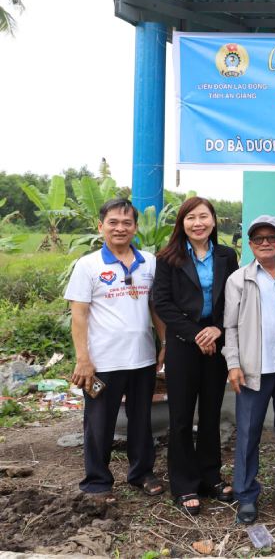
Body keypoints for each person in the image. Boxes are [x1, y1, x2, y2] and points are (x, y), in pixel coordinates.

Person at [65, 198, 166, 504]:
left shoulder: (150, 262)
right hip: (102, 362)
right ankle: (97, 481)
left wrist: (166, 343)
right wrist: (83, 359)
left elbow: (155, 306)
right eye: (113, 222)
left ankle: (141, 474)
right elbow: (79, 314)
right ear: (101, 227)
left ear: (135, 227)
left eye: (127, 223)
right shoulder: (88, 265)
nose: (120, 228)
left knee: (141, 420)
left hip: (142, 358)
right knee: (99, 423)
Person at [152, 197, 239, 515]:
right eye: (191, 218)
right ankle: (184, 483)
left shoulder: (227, 256)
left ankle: (210, 477)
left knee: (212, 414)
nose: (198, 223)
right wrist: (194, 334)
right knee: (181, 417)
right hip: (182, 344)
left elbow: (233, 298)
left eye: (204, 216)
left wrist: (216, 329)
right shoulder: (168, 258)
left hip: (216, 344)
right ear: (182, 223)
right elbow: (162, 303)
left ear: (214, 221)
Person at [222, 215, 275, 525]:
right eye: (259, 239)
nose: (266, 243)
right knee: (248, 434)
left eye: (272, 237)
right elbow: (229, 326)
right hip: (252, 369)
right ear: (251, 244)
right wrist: (233, 363)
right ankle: (245, 495)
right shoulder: (239, 279)